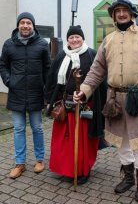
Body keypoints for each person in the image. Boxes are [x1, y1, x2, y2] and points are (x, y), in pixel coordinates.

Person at [73, 0, 138, 202]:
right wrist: (84, 91)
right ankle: (129, 177)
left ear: (132, 14)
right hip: (114, 100)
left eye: (125, 10)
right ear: (113, 15)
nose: (121, 14)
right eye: (117, 11)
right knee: (122, 142)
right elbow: (96, 70)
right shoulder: (108, 40)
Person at [45, 25, 107, 185]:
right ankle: (69, 170)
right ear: (67, 40)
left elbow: (100, 79)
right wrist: (49, 102)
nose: (74, 39)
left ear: (83, 38)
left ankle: (83, 170)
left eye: (77, 37)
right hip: (66, 106)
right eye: (71, 37)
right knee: (65, 140)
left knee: (84, 141)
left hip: (86, 106)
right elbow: (52, 79)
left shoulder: (92, 55)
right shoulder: (61, 56)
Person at [0, 12, 51, 179]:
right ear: (18, 25)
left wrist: (45, 88)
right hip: (16, 93)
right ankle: (20, 163)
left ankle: (40, 160)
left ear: (33, 26)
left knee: (37, 128)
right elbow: (3, 66)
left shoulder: (43, 44)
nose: (25, 25)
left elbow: (47, 68)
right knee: (19, 129)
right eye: (22, 22)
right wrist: (9, 81)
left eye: (28, 23)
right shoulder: (8, 45)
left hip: (36, 93)